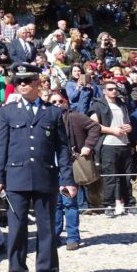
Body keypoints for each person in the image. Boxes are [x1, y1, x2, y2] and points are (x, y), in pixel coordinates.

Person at [0, 63, 76, 272]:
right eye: (18, 81)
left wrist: (68, 178)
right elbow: (2, 148)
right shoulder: (8, 112)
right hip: (15, 178)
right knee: (17, 231)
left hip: (45, 177)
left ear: (38, 82)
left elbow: (63, 149)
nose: (22, 85)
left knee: (47, 230)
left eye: (27, 80)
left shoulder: (53, 112)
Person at [51, 92, 99, 250]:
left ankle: (73, 237)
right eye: (54, 101)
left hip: (69, 165)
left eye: (60, 100)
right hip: (51, 166)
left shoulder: (75, 116)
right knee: (55, 204)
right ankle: (55, 235)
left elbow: (94, 127)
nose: (58, 103)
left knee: (70, 202)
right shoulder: (46, 117)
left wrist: (88, 145)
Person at [90, 80, 134, 216]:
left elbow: (128, 122)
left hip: (124, 143)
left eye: (115, 89)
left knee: (126, 176)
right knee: (110, 176)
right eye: (110, 89)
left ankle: (128, 203)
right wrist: (112, 130)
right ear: (104, 91)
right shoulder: (97, 105)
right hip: (108, 144)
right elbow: (94, 125)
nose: (113, 91)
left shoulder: (122, 104)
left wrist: (129, 127)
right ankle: (108, 205)